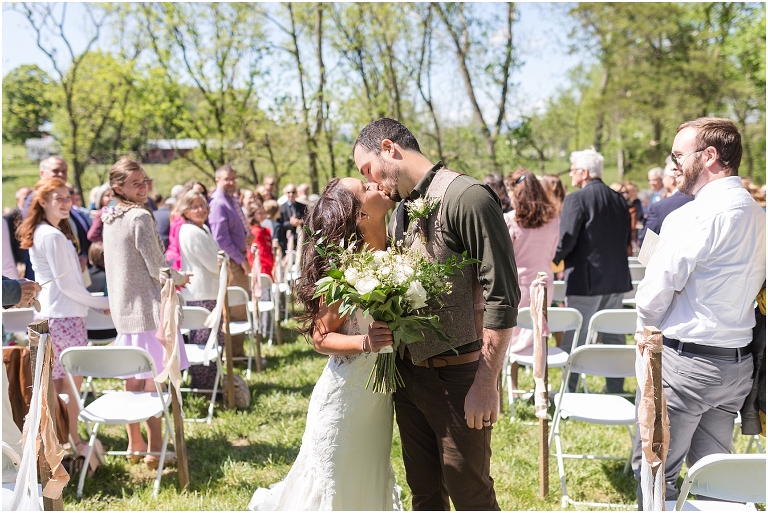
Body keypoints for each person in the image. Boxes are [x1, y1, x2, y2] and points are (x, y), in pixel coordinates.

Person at [353, 118, 520, 511]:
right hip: (407, 377)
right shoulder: (400, 211)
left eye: (367, 169)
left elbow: (503, 297)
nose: (371, 181)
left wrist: (485, 383)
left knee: (471, 495)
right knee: (425, 495)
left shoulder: (469, 197)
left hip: (459, 379)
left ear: (389, 149)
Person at [631, 117, 766, 506]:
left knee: (659, 476)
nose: (673, 165)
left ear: (709, 157)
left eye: (678, 156)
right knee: (713, 479)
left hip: (686, 364)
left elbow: (650, 299)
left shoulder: (694, 216)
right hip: (736, 366)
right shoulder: (760, 217)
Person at [249, 177, 398, 511]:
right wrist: (365, 341)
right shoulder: (345, 264)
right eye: (365, 186)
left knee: (367, 481)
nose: (374, 183)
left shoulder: (397, 248)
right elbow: (320, 337)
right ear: (360, 214)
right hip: (346, 401)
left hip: (378, 402)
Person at [102, 157, 191, 468]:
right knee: (155, 380)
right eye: (135, 184)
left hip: (124, 310)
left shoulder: (109, 216)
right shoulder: (139, 217)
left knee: (133, 378)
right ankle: (155, 449)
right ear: (118, 187)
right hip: (149, 310)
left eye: (144, 181)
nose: (143, 188)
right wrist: (181, 277)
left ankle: (135, 443)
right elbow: (159, 268)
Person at [17, 177, 111, 469]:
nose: (65, 202)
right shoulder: (52, 236)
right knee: (68, 388)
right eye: (58, 197)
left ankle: (64, 444)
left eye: (68, 196)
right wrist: (104, 304)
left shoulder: (49, 232)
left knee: (58, 389)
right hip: (63, 317)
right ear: (42, 202)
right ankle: (73, 444)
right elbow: (70, 288)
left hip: (54, 315)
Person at [552, 148, 632, 393]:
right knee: (613, 335)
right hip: (616, 278)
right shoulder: (619, 199)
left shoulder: (575, 199)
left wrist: (552, 259)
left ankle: (569, 390)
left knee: (575, 335)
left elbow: (566, 240)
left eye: (573, 170)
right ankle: (616, 386)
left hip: (586, 280)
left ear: (584, 173)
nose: (571, 176)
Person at [503, 169, 560, 393]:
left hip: (519, 285)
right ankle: (540, 386)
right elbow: (554, 250)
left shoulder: (510, 219)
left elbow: (505, 256)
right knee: (539, 334)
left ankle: (514, 387)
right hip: (546, 283)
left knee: (515, 337)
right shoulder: (554, 218)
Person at [177, 189, 224, 391]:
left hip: (205, 291)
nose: (200, 210)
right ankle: (205, 387)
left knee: (211, 340)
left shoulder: (200, 228)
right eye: (194, 206)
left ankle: (212, 385)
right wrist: (222, 261)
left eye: (202, 205)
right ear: (185, 211)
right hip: (202, 294)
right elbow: (214, 264)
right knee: (205, 343)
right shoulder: (191, 231)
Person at [209, 165, 251, 358]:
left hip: (240, 256)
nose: (231, 182)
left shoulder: (232, 200)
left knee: (240, 308)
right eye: (227, 179)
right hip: (232, 262)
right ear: (218, 180)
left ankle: (238, 354)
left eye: (234, 178)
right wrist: (241, 260)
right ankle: (234, 357)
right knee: (235, 310)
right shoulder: (218, 203)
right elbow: (221, 239)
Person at [637, 160, 694, 248]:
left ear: (671, 180)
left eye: (664, 177)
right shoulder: (701, 199)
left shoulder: (660, 207)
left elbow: (646, 243)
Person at [276, 183, 307, 253]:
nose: (291, 194)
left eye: (293, 192)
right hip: (286, 240)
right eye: (288, 192)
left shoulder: (303, 207)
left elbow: (308, 220)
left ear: (296, 193)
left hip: (300, 240)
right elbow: (279, 225)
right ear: (285, 193)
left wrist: (300, 222)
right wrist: (290, 223)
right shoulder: (281, 208)